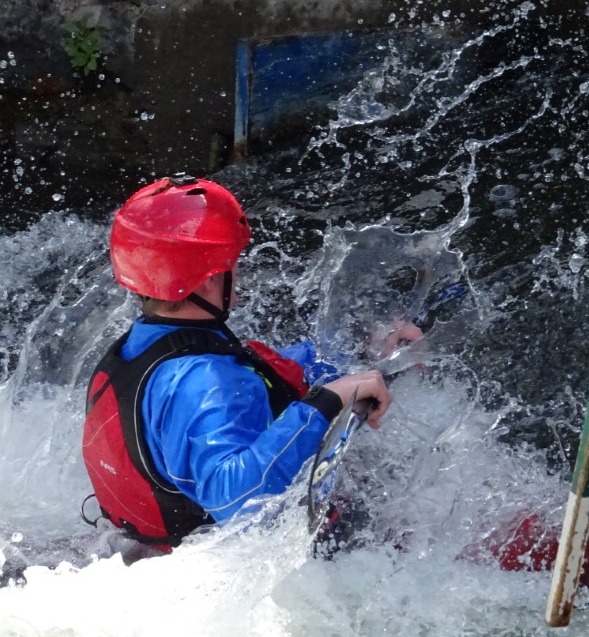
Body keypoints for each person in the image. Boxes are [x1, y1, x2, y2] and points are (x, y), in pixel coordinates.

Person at [81, 174, 420, 553]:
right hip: (216, 578)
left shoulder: (143, 346)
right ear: (208, 279)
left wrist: (363, 353)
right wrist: (326, 403)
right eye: (232, 264)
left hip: (142, 553)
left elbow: (264, 376)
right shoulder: (203, 379)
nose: (238, 275)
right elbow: (237, 503)